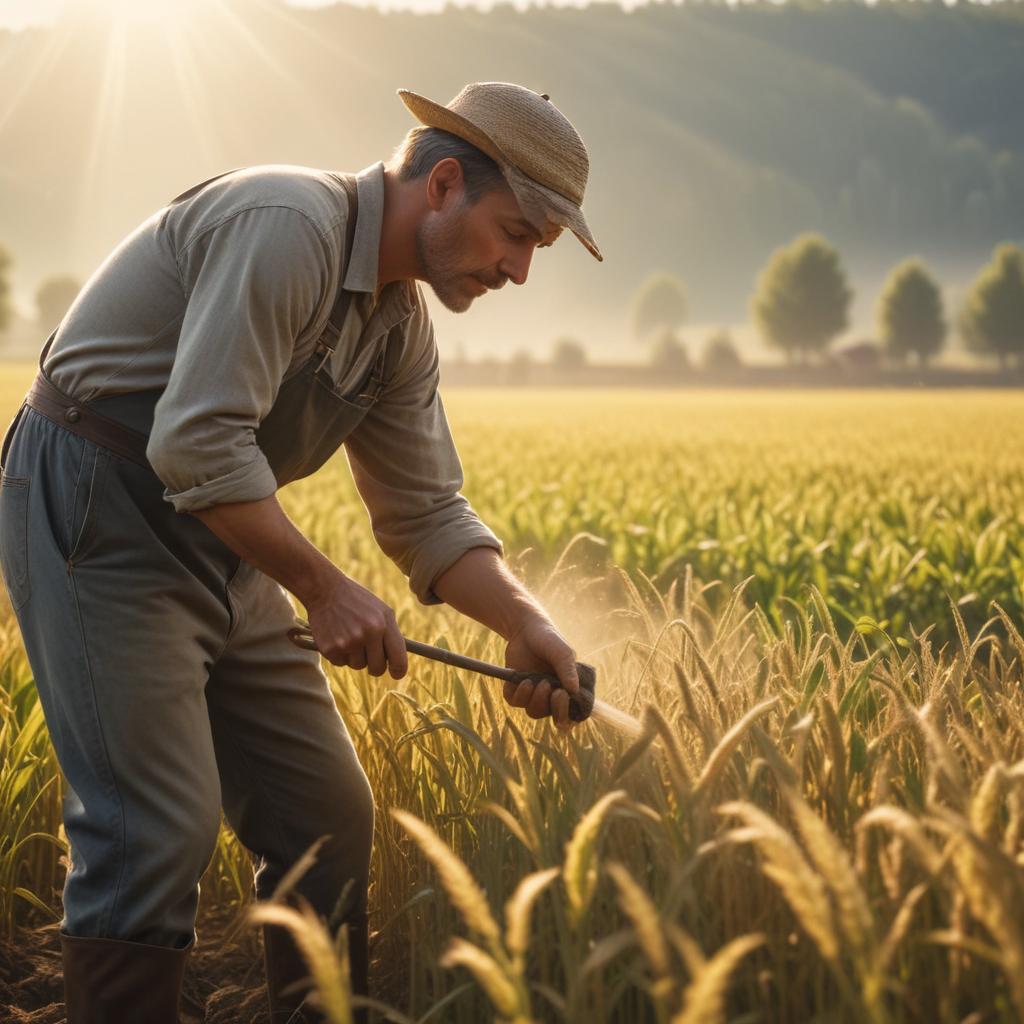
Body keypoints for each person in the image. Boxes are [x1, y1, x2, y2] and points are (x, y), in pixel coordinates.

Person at [0, 81, 602, 1023]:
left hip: (224, 529)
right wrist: (322, 589)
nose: (520, 269)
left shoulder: (399, 327)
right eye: (518, 234)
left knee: (325, 814)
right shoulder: (289, 224)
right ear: (443, 183)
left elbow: (426, 512)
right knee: (152, 833)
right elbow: (195, 443)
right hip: (99, 506)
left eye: (537, 249)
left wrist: (525, 621)